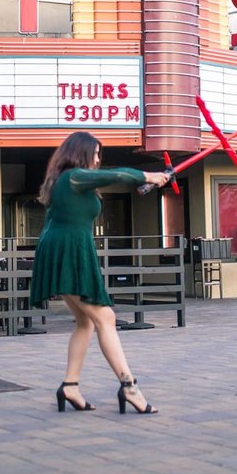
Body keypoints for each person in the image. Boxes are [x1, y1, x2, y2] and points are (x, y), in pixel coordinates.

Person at [29, 131, 170, 415]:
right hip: (70, 252)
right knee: (106, 317)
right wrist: (150, 176)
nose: (97, 159)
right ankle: (128, 386)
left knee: (86, 321)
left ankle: (70, 386)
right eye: (94, 153)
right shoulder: (73, 177)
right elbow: (118, 176)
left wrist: (146, 179)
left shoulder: (68, 181)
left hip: (67, 249)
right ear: (80, 154)